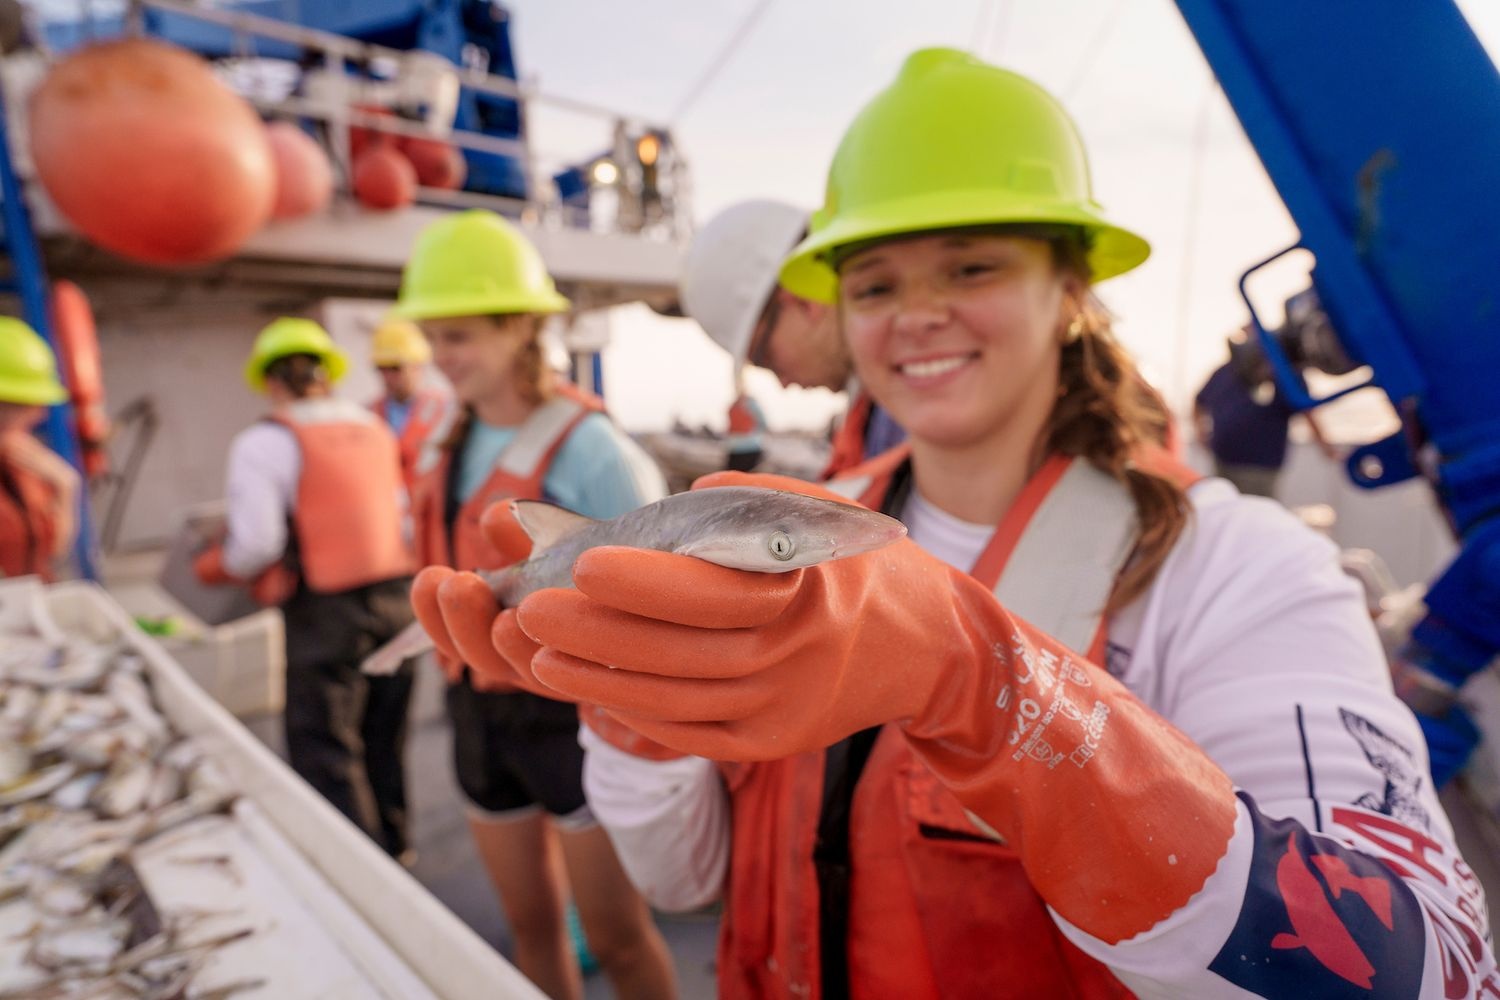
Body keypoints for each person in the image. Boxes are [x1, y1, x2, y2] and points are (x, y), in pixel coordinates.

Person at [417, 49, 1495, 998]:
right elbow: (685, 878)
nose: (919, 313)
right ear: (839, 310)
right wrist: (636, 714)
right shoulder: (777, 534)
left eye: (973, 265)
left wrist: (990, 692)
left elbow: (1427, 967)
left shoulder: (1239, 567)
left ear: (1072, 286)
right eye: (877, 281)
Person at [394, 210, 677, 1000]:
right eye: (434, 339)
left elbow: (660, 589)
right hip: (475, 715)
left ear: (520, 326)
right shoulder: (443, 433)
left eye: (461, 337)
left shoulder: (593, 450)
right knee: (530, 926)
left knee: (620, 940)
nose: (443, 359)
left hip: (572, 720)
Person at [193, 318, 418, 862]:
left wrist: (215, 565)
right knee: (383, 737)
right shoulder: (373, 429)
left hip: (327, 615)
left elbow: (258, 543)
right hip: (397, 602)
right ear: (329, 376)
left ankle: (357, 874)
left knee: (327, 750)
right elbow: (403, 519)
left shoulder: (263, 442)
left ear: (271, 382)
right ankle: (397, 846)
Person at [680, 199, 905, 477]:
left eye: (766, 358)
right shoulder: (882, 408)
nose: (783, 384)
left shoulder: (915, 403)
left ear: (803, 301)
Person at [1194, 329, 1335, 498]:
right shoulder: (1225, 371)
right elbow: (1199, 400)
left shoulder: (1287, 375)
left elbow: (1307, 410)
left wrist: (1325, 445)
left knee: (1256, 518)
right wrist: (1200, 430)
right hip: (1222, 462)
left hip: (1259, 468)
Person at [0, 318, 79, 581]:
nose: (39, 414)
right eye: (23, 403)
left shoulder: (20, 462)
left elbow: (51, 554)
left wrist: (66, 487)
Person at [368, 315, 450, 488]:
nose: (388, 376)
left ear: (418, 365)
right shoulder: (368, 415)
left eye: (395, 367)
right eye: (381, 368)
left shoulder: (446, 410)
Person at [724, 382, 767, 472]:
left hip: (749, 448)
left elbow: (763, 422)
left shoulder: (750, 403)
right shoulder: (734, 404)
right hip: (734, 448)